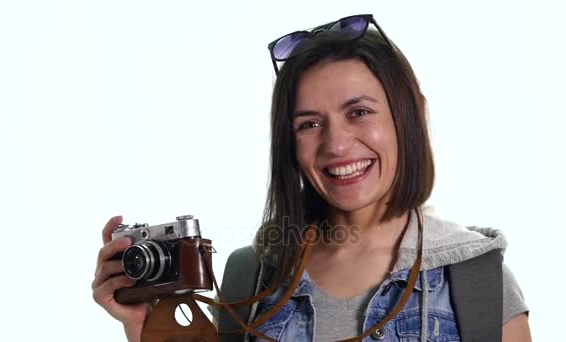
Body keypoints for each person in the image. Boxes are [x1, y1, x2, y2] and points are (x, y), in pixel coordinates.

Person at [92, 14, 531, 341]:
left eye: (359, 112)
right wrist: (148, 327)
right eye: (309, 124)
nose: (336, 145)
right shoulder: (251, 280)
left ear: (411, 113)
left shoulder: (478, 282)